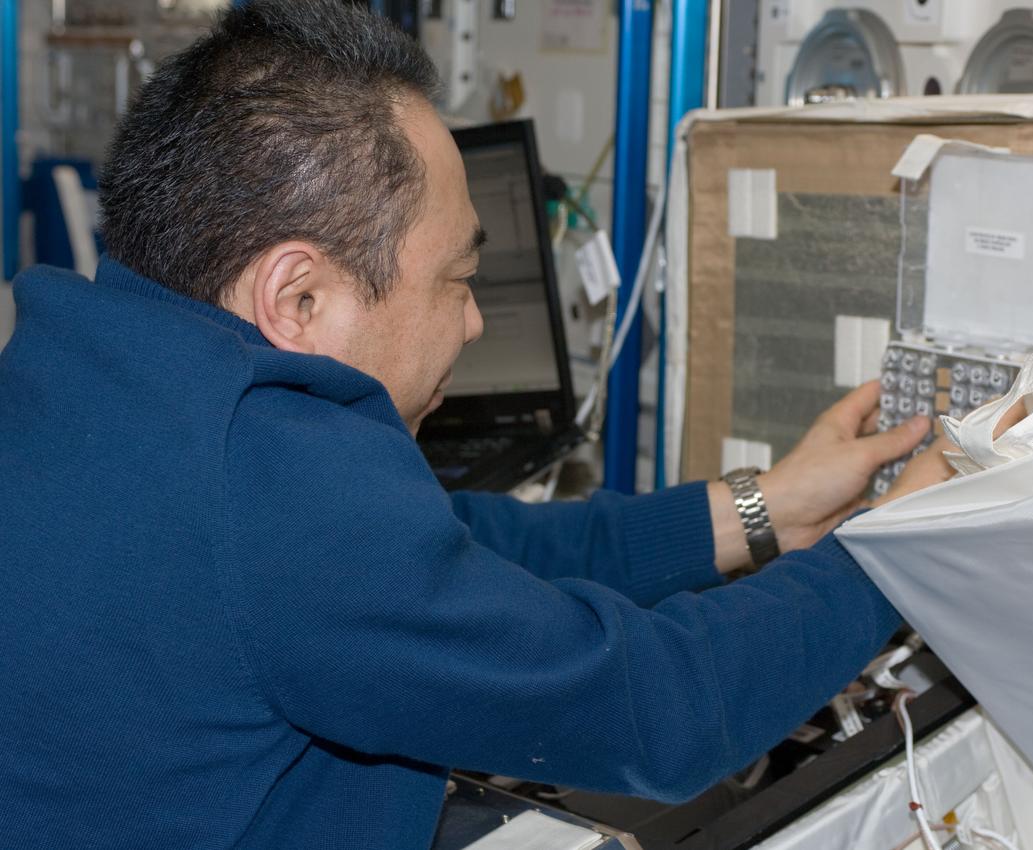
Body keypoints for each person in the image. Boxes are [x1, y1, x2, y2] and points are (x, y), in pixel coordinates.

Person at [0, 2, 952, 848]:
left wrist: (766, 509)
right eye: (457, 280)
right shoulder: (265, 480)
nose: (472, 321)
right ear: (298, 296)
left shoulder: (84, 368)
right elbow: (659, 710)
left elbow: (458, 547)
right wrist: (898, 547)